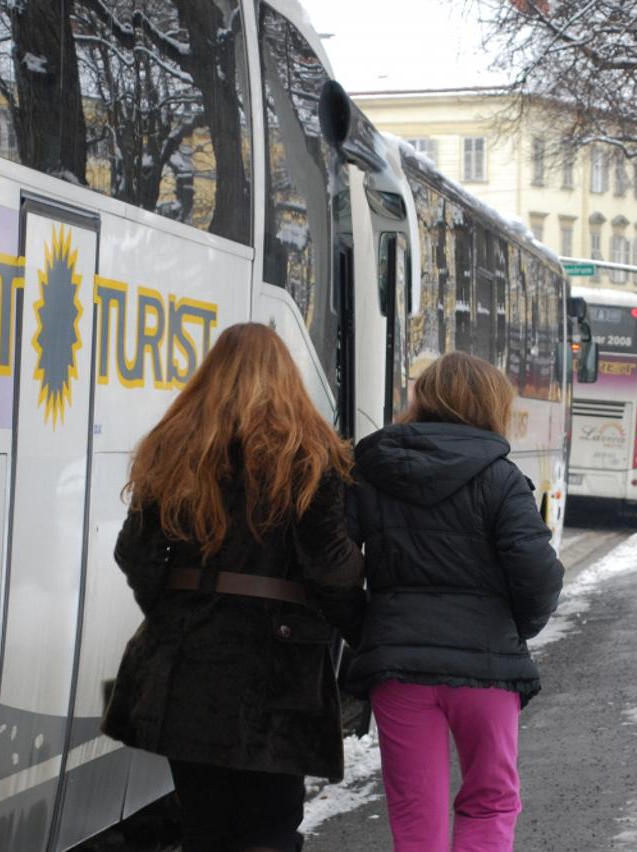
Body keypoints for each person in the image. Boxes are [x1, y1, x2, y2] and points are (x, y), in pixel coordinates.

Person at [102, 323, 365, 852]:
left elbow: (136, 554)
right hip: (279, 672)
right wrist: (363, 628)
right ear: (287, 379)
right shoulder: (309, 457)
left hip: (188, 665)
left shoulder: (174, 449)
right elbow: (332, 569)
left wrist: (175, 609)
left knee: (205, 827)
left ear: (211, 376)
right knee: (270, 826)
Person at [345, 352, 565, 852]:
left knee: (416, 815)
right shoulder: (501, 478)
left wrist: (369, 630)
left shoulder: (373, 471)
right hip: (487, 669)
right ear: (492, 404)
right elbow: (539, 575)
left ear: (423, 398)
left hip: (400, 669)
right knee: (491, 802)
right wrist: (515, 630)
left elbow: (333, 564)